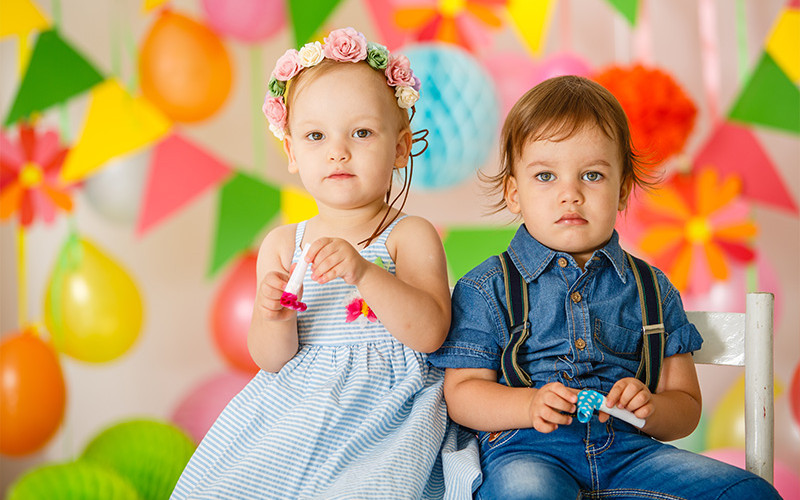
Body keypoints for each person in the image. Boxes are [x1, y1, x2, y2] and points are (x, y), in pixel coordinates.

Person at [428, 75, 781, 500]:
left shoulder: (653, 289)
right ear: (514, 192)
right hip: (527, 451)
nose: (570, 194)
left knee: (749, 493)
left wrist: (650, 407)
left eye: (592, 175)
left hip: (631, 454)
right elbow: (462, 394)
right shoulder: (489, 287)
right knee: (529, 494)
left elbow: (685, 407)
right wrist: (528, 405)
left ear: (622, 191)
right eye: (545, 176)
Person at [172, 27, 478, 499]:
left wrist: (364, 273)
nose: (338, 150)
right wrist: (272, 314)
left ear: (399, 148)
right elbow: (271, 359)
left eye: (361, 132)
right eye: (316, 135)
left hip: (386, 412)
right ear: (292, 152)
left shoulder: (408, 235)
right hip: (297, 408)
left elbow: (431, 332)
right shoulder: (283, 244)